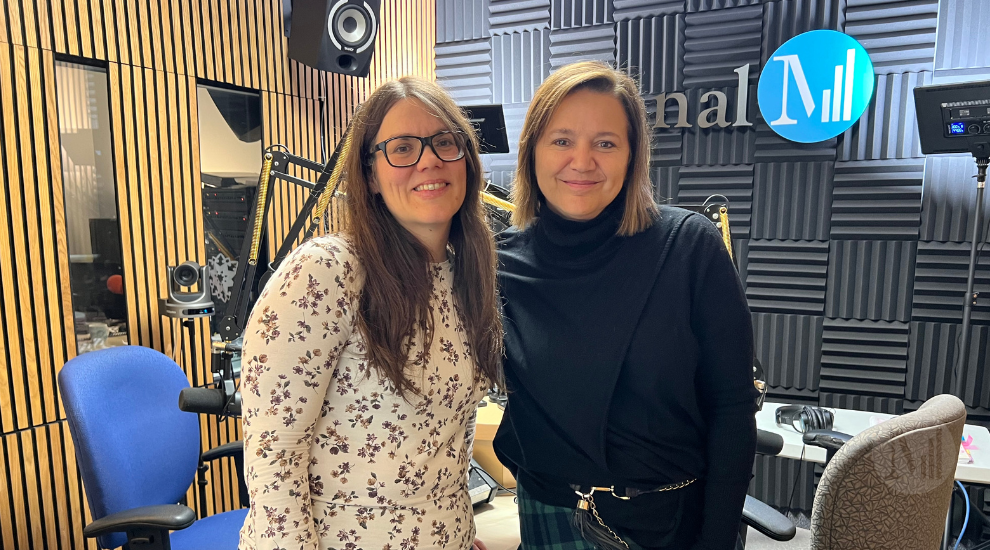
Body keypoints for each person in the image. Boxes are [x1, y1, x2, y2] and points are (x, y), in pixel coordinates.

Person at [495, 61, 758, 550]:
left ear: (633, 155)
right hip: (545, 512)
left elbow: (732, 408)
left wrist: (718, 539)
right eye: (561, 140)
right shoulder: (502, 260)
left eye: (605, 143)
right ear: (532, 150)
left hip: (664, 523)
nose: (582, 160)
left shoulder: (689, 248)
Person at [238, 76, 502, 550]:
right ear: (371, 176)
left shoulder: (467, 277)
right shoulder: (324, 273)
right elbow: (274, 457)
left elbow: (451, 432)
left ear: (468, 161)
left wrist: (456, 527)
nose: (429, 160)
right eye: (402, 148)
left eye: (445, 142)